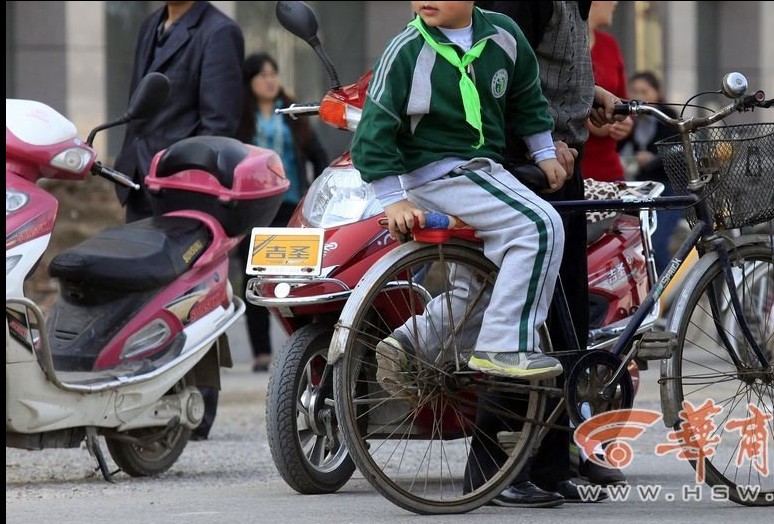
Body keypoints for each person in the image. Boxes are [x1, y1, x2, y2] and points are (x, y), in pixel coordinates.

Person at [353, 1, 568, 386]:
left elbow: (526, 98)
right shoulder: (405, 49)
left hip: (472, 177)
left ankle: (408, 345)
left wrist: (544, 151)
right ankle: (506, 345)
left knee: (475, 288)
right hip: (446, 177)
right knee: (540, 226)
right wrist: (393, 199)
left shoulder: (503, 35)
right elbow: (373, 130)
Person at [471, 1, 628, 507]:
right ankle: (491, 465)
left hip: (560, 159)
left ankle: (553, 462)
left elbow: (546, 66)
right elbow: (496, 72)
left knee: (568, 323)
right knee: (526, 314)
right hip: (528, 165)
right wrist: (539, 146)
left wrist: (589, 97)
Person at [113, 0, 244, 440]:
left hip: (186, 189)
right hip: (139, 181)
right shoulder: (152, 24)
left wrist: (183, 176)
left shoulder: (218, 32)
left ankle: (197, 409)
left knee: (190, 297)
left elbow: (218, 124)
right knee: (139, 297)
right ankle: (143, 399)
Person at [235, 52, 330, 372]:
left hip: (289, 208)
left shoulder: (292, 113)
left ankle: (304, 346)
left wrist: (316, 194)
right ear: (249, 81)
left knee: (297, 279)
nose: (270, 79)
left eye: (274, 73)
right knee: (255, 279)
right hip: (252, 210)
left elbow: (318, 155)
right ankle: (261, 352)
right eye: (262, 75)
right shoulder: (239, 117)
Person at [619, 71, 681, 275]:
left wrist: (652, 159)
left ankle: (663, 294)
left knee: (656, 243)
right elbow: (618, 147)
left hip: (669, 189)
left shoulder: (668, 117)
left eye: (644, 91)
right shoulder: (632, 119)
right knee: (636, 243)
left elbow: (678, 151)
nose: (639, 96)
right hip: (643, 189)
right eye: (635, 91)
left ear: (657, 93)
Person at [581, 0, 633, 182]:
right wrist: (588, 119)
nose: (616, 3)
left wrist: (625, 122)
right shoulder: (562, 45)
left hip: (609, 168)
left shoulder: (610, 45)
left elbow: (623, 99)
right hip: (570, 167)